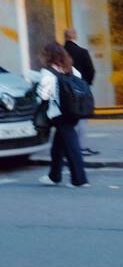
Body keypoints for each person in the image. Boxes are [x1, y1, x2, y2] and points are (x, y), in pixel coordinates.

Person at [29, 42, 88, 187]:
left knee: (71, 146)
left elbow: (43, 95)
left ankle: (79, 180)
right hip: (74, 111)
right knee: (58, 146)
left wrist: (37, 87)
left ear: (48, 56)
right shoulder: (71, 69)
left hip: (59, 114)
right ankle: (54, 176)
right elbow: (79, 81)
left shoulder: (48, 72)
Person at [62, 27, 98, 155]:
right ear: (75, 36)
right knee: (81, 119)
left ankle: (67, 147)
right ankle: (80, 147)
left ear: (65, 37)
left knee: (66, 120)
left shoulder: (60, 53)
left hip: (63, 90)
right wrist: (86, 84)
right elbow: (91, 71)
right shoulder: (82, 52)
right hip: (80, 90)